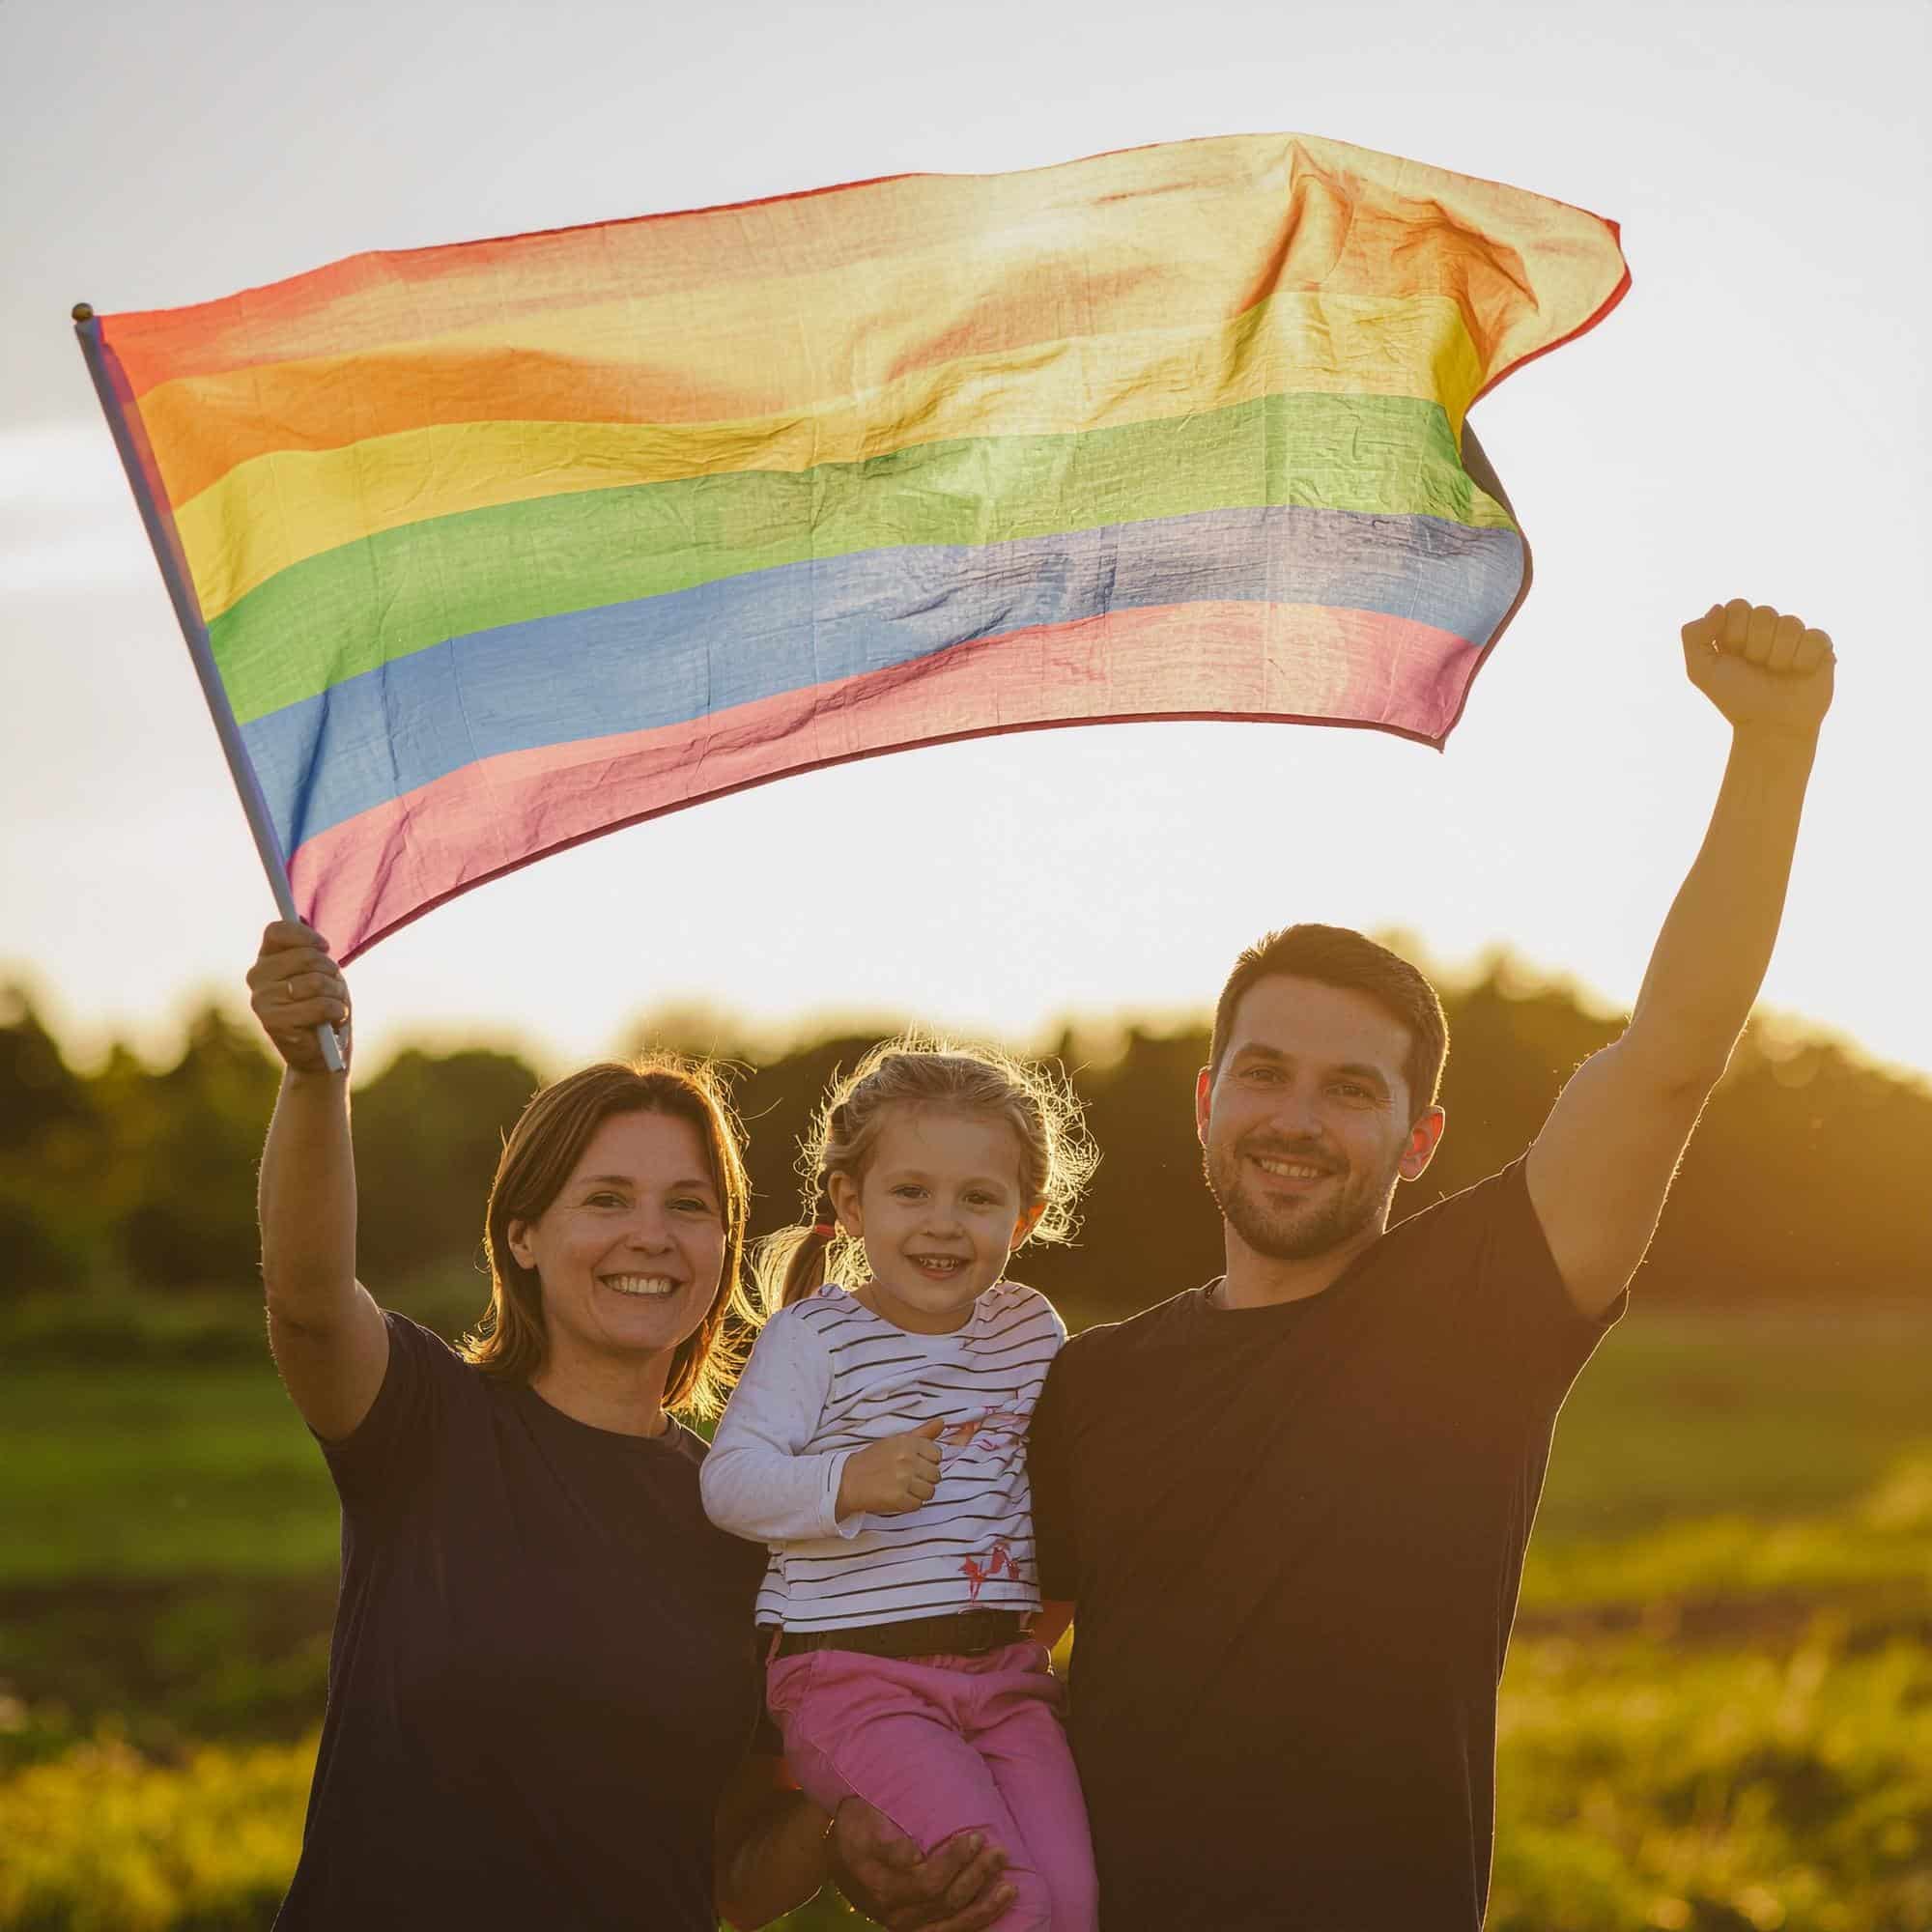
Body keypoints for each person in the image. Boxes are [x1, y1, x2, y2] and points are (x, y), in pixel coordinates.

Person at [838, 595, 1835, 1931]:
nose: (1298, 1119)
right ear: (1205, 1105)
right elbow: (993, 1670)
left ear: (1418, 1141)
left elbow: (1668, 1058)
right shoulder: (1090, 1385)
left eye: (1350, 1091)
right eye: (1266, 1074)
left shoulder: (1482, 1310)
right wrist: (880, 1825)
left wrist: (1773, 751)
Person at [246, 938, 1018, 1931]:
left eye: (687, 1206)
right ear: (521, 1233)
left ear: (720, 1248)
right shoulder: (427, 1422)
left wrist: (843, 1824)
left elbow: (733, 1877)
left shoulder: (758, 1522)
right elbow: (306, 1299)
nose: (649, 1233)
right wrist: (316, 1076)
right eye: (605, 1198)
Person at [702, 1042, 1101, 1932]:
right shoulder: (815, 1338)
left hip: (1005, 1675)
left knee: (1074, 1905)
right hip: (854, 1677)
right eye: (911, 1191)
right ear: (852, 1203)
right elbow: (729, 1484)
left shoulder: (1030, 1328)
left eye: (980, 1198)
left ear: (1025, 1217)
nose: (944, 1224)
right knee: (1009, 1903)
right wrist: (848, 1482)